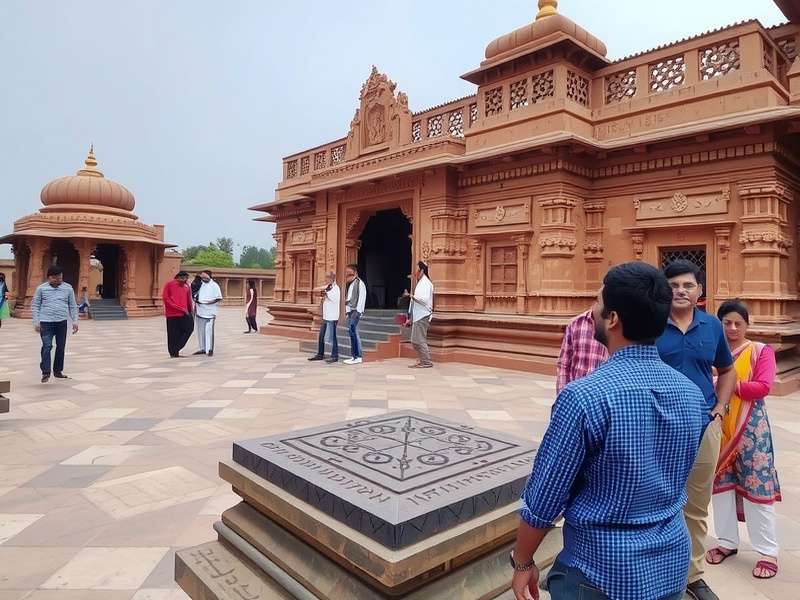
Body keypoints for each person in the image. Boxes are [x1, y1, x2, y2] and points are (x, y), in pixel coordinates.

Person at [510, 262, 705, 600]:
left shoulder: (584, 397)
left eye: (599, 302)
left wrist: (523, 561)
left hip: (601, 572)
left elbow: (544, 500)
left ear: (612, 318)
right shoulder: (691, 393)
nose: (594, 309)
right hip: (670, 565)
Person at [656, 259, 735, 600]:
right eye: (673, 285)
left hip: (703, 426)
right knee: (656, 499)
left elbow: (727, 370)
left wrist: (720, 407)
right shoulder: (651, 325)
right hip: (658, 427)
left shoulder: (712, 326)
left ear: (700, 291)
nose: (680, 290)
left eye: (688, 285)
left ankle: (692, 575)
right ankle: (656, 569)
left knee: (697, 506)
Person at [706, 300, 780, 580]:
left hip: (751, 430)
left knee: (757, 487)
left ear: (747, 325)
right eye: (727, 323)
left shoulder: (760, 351)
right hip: (719, 425)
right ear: (719, 324)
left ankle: (767, 550)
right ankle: (727, 542)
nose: (733, 328)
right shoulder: (713, 353)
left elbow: (761, 387)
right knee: (721, 487)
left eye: (739, 323)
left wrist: (724, 383)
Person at [32, 265, 79, 383]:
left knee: (61, 347)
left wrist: (75, 321)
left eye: (60, 278)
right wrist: (36, 321)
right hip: (45, 322)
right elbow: (36, 305)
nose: (59, 280)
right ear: (49, 277)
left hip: (61, 322)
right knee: (47, 346)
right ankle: (46, 372)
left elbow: (73, 306)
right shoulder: (41, 289)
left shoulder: (68, 288)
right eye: (56, 278)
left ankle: (58, 371)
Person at [555, 305, 608, 393]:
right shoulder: (576, 323)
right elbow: (563, 364)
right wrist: (562, 394)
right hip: (577, 393)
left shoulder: (616, 327)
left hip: (602, 394)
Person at [403, 261, 433, 368]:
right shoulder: (420, 283)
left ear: (422, 271)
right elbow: (414, 302)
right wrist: (410, 318)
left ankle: (426, 361)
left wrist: (411, 295)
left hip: (423, 315)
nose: (415, 272)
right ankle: (423, 360)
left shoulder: (426, 283)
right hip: (418, 315)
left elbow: (424, 300)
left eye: (417, 270)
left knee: (418, 340)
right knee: (416, 340)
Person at [308, 271, 340, 364]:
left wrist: (326, 294)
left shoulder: (336, 288)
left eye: (327, 278)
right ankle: (320, 354)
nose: (326, 279)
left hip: (332, 317)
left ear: (332, 278)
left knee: (333, 337)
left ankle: (334, 356)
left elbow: (335, 298)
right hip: (325, 316)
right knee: (321, 335)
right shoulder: (328, 287)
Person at [162, 271, 194, 358]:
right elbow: (166, 298)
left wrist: (190, 311)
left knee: (189, 329)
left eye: (186, 278)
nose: (185, 280)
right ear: (178, 277)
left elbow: (188, 300)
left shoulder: (186, 286)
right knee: (173, 333)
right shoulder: (169, 284)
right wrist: (179, 308)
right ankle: (174, 353)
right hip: (172, 313)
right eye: (183, 278)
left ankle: (176, 348)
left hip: (185, 313)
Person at [194, 270, 223, 357]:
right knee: (200, 331)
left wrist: (207, 303)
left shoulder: (214, 285)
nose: (203, 279)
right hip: (199, 311)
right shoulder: (200, 284)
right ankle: (202, 348)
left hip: (210, 312)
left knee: (208, 331)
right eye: (202, 277)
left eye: (205, 277)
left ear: (210, 276)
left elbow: (218, 298)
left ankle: (209, 349)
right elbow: (194, 294)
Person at [343, 264, 367, 365]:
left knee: (353, 333)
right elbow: (349, 299)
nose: (348, 276)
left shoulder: (359, 283)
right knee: (353, 333)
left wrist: (358, 312)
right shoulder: (351, 284)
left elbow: (361, 298)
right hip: (350, 311)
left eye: (350, 274)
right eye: (347, 274)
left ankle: (356, 356)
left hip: (355, 311)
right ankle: (355, 356)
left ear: (355, 273)